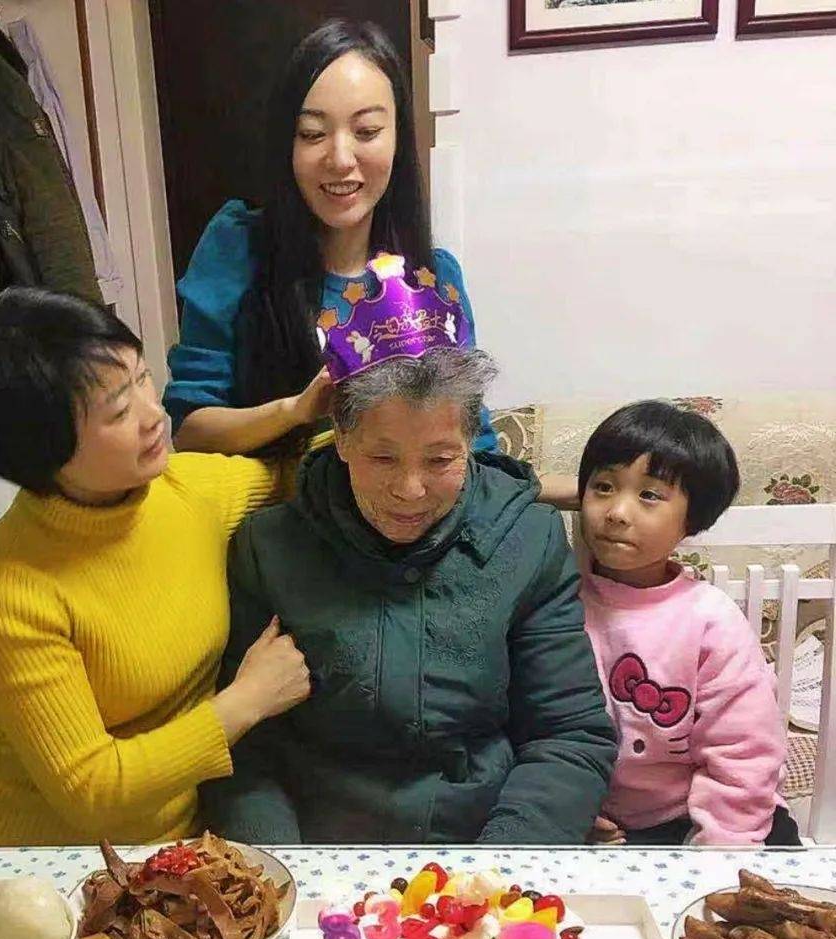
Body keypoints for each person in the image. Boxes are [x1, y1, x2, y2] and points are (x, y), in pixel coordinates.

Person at [200, 257, 616, 844]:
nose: (410, 490)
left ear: (471, 442)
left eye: (441, 460)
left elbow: (569, 734)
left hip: (481, 840)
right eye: (383, 457)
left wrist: (497, 868)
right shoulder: (269, 548)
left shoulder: (529, 539)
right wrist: (286, 874)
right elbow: (245, 750)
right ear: (341, 438)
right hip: (322, 848)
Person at [0, 287, 313, 848]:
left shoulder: (187, 492)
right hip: (40, 860)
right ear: (42, 448)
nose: (154, 414)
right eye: (119, 411)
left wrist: (317, 412)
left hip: (171, 851)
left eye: (143, 378)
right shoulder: (7, 587)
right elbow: (89, 789)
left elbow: (300, 474)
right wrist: (248, 700)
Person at [163, 19, 498, 459]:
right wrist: (294, 411)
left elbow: (475, 443)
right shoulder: (236, 248)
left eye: (367, 132)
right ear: (287, 143)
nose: (340, 159)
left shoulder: (434, 276)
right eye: (313, 134)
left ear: (398, 138)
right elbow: (190, 431)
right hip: (277, 498)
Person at [578, 401, 799, 847]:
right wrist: (567, 806)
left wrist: (718, 853)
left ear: (692, 519)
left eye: (649, 495)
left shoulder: (709, 619)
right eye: (603, 487)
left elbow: (744, 750)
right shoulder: (557, 602)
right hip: (600, 823)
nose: (617, 511)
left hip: (704, 814)